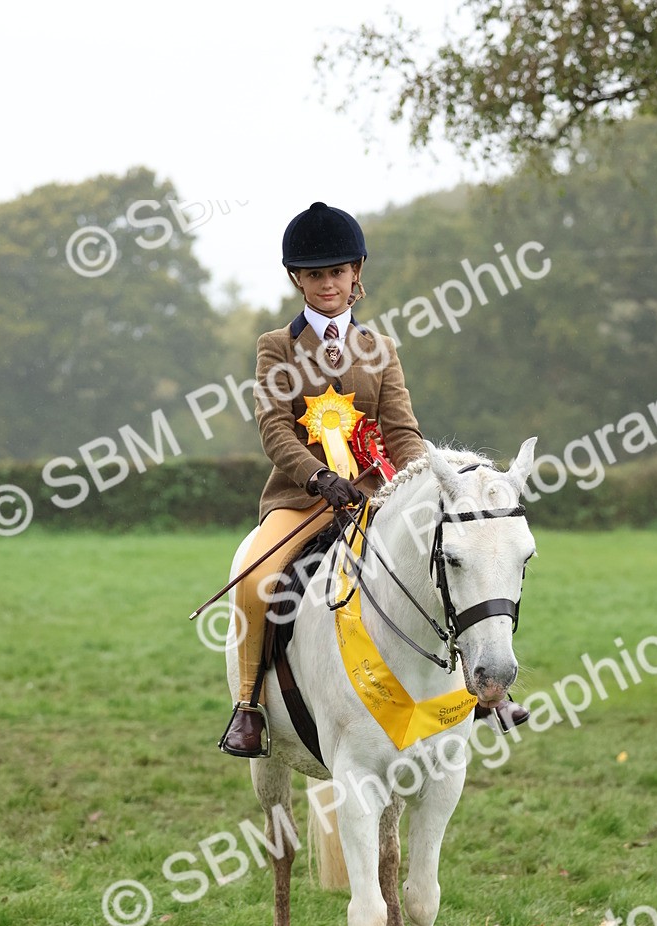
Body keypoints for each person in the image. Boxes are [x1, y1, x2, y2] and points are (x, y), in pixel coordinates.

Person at [219, 201, 527, 758]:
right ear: (297, 279)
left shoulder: (380, 349)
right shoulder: (276, 348)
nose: (328, 284)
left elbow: (403, 432)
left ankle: (484, 691)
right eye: (315, 275)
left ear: (355, 273)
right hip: (300, 500)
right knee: (254, 578)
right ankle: (249, 707)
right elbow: (274, 431)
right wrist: (317, 477)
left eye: (337, 272)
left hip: (375, 497)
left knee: (447, 565)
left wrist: (414, 484)